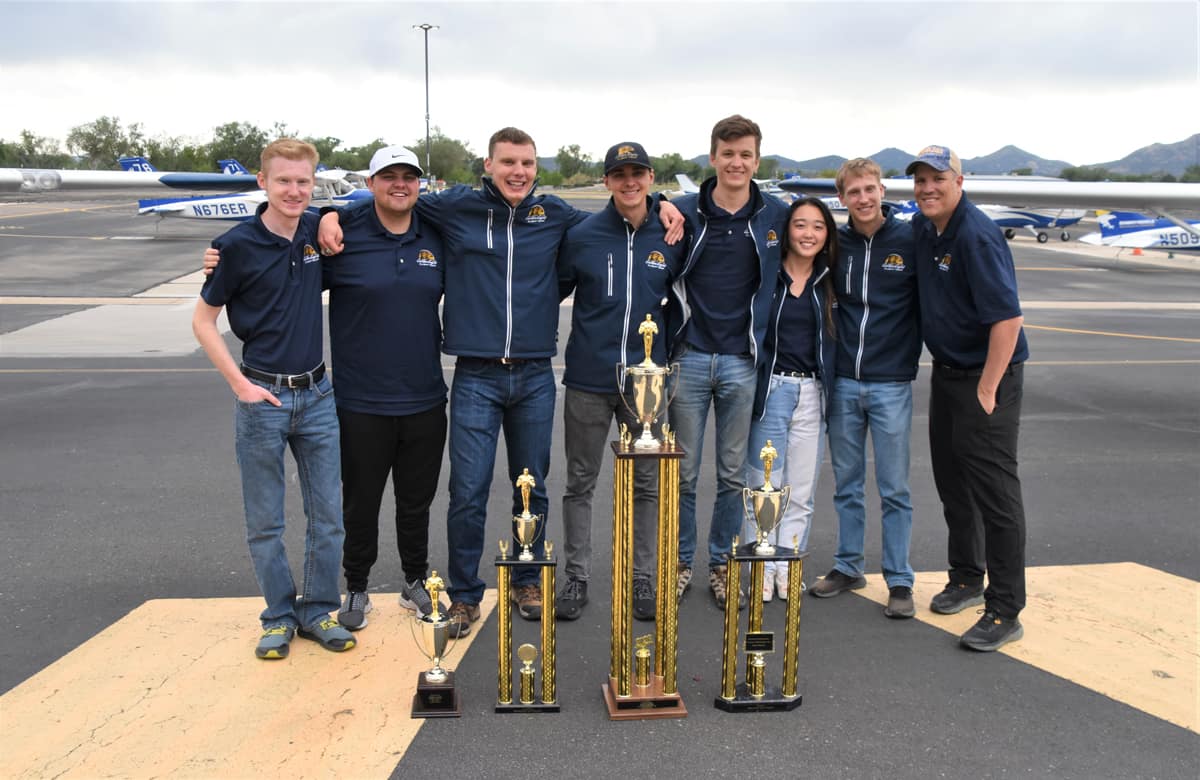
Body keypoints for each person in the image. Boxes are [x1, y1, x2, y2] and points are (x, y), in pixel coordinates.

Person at [318, 128, 684, 638]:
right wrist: (327, 214)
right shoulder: (454, 208)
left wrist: (663, 200)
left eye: (527, 163)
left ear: (536, 168)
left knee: (529, 488)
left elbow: (621, 209)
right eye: (508, 162)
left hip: (534, 376)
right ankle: (466, 593)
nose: (518, 171)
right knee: (467, 490)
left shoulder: (555, 214)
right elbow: (392, 199)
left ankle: (527, 580)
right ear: (487, 165)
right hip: (476, 375)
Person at [204, 146, 449, 631]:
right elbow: (278, 249)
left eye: (409, 177)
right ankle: (355, 586)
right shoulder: (342, 236)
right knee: (357, 503)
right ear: (372, 182)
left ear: (419, 183)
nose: (399, 184)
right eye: (388, 176)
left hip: (424, 396)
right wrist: (221, 258)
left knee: (415, 501)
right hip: (357, 400)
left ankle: (414, 581)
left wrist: (326, 212)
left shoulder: (436, 234)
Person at [192, 138, 354, 660]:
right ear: (262, 182)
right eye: (283, 180)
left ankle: (316, 611)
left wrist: (328, 212)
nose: (294, 190)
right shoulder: (234, 246)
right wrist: (239, 385)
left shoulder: (313, 230)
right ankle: (279, 615)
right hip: (262, 396)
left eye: (303, 182)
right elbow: (202, 322)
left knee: (328, 517)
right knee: (266, 521)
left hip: (318, 394)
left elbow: (350, 211)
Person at [555, 141, 685, 621]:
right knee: (580, 482)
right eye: (619, 174)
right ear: (607, 181)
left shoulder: (673, 231)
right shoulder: (584, 234)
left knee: (646, 484)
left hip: (647, 385)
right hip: (589, 377)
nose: (629, 182)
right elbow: (550, 287)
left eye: (638, 173)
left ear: (651, 177)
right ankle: (577, 577)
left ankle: (644, 579)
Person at [908, 144, 1029, 652]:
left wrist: (987, 388)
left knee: (995, 493)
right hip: (949, 372)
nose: (928, 188)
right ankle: (965, 576)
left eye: (939, 178)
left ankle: (1005, 609)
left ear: (960, 181)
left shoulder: (976, 234)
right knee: (952, 481)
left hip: (988, 375)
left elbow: (1008, 319)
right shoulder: (923, 228)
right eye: (920, 181)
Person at [667, 115, 789, 609]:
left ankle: (721, 563)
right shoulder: (684, 211)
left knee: (733, 475)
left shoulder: (775, 215)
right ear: (713, 157)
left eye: (745, 155)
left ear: (756, 161)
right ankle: (680, 562)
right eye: (728, 153)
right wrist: (660, 203)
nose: (736, 162)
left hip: (743, 361)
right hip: (691, 358)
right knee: (686, 474)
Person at [808, 158, 919, 620]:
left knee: (894, 488)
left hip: (891, 382)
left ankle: (899, 579)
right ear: (843, 197)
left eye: (870, 189)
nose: (864, 199)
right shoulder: (838, 244)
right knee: (847, 484)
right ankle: (848, 565)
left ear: (882, 189)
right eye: (854, 192)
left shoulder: (910, 239)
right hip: (846, 383)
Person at [743, 197, 837, 602]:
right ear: (787, 231)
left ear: (827, 234)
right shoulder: (767, 278)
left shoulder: (830, 280)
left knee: (800, 490)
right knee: (764, 485)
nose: (809, 234)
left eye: (818, 226)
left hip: (812, 393)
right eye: (800, 225)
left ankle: (787, 566)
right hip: (772, 391)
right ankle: (760, 568)